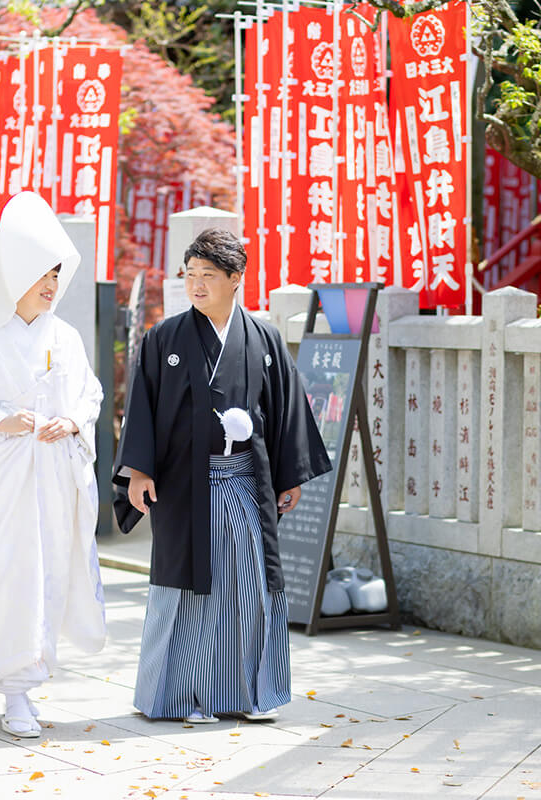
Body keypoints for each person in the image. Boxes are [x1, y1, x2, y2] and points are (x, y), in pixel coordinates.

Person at [113, 228, 330, 724]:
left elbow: (285, 410)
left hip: (246, 485)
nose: (196, 284)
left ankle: (250, 694)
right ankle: (184, 697)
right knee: (191, 591)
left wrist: (290, 474)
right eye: (190, 275)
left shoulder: (264, 338)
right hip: (185, 487)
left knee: (249, 587)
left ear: (237, 279)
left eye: (208, 275)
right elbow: (141, 408)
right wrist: (139, 471)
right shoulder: (164, 337)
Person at [0, 191, 106, 738]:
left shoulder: (67, 337)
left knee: (49, 571)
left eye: (56, 274)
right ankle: (14, 691)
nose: (51, 285)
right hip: (2, 480)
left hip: (53, 476)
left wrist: (73, 422)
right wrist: (3, 420)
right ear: (14, 276)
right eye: (41, 274)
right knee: (6, 576)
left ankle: (30, 681)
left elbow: (91, 394)